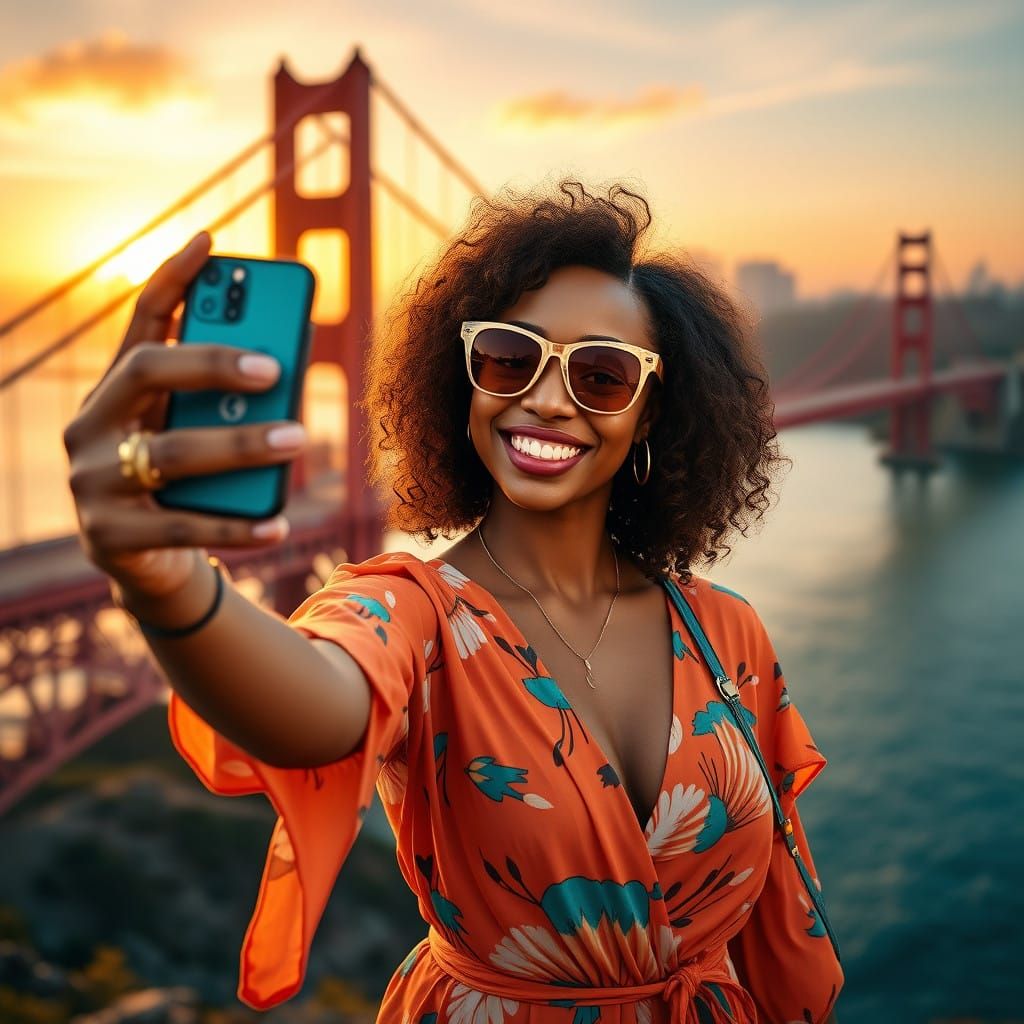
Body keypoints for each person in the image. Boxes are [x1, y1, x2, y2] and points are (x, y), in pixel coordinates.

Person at [63, 178, 843, 1023]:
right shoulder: (416, 614)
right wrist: (170, 584)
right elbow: (319, 705)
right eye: (511, 356)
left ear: (650, 413)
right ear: (463, 377)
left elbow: (777, 913)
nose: (546, 399)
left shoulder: (728, 631)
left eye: (604, 374)